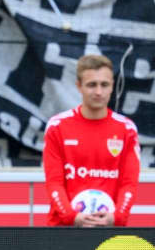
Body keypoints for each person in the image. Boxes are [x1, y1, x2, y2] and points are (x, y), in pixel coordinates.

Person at [43, 54, 140, 227]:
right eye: (91, 85)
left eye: (104, 85)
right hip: (64, 228)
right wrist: (71, 217)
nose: (98, 92)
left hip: (108, 228)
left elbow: (129, 183)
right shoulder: (58, 126)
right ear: (79, 86)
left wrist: (116, 217)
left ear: (112, 86)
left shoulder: (126, 129)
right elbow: (54, 182)